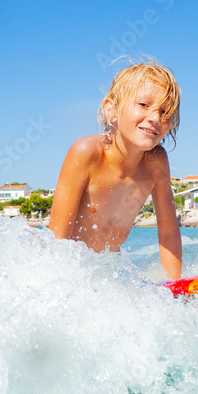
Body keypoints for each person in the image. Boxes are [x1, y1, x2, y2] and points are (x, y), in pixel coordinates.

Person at [48, 60, 183, 279]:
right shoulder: (86, 153)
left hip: (109, 273)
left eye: (164, 111)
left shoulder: (156, 162)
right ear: (112, 109)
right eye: (143, 105)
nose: (155, 118)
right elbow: (57, 237)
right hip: (70, 272)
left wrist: (176, 286)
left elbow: (168, 231)